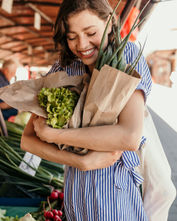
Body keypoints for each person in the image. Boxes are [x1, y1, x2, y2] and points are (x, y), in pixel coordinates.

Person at [21, 0, 154, 220]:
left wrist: (54, 134)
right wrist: (81, 162)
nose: (81, 45)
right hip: (76, 195)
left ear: (110, 23)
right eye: (72, 37)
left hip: (114, 199)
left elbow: (129, 136)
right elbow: (27, 140)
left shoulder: (128, 56)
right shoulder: (64, 69)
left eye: (91, 32)